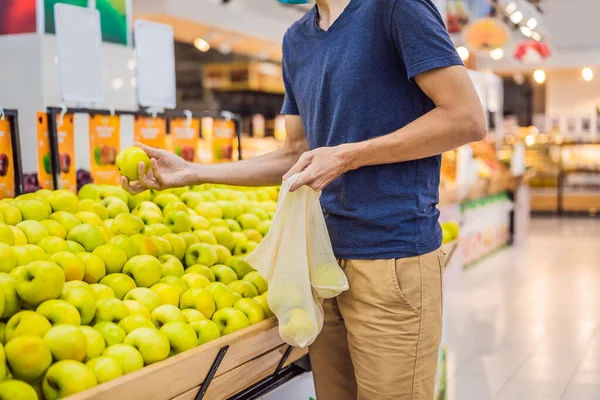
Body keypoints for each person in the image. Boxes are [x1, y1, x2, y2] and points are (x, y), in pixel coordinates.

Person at [122, 0, 486, 398]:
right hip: (321, 262)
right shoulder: (297, 38)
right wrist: (193, 173)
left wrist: (347, 155)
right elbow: (293, 152)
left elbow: (466, 117)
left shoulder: (396, 8)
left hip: (392, 260)